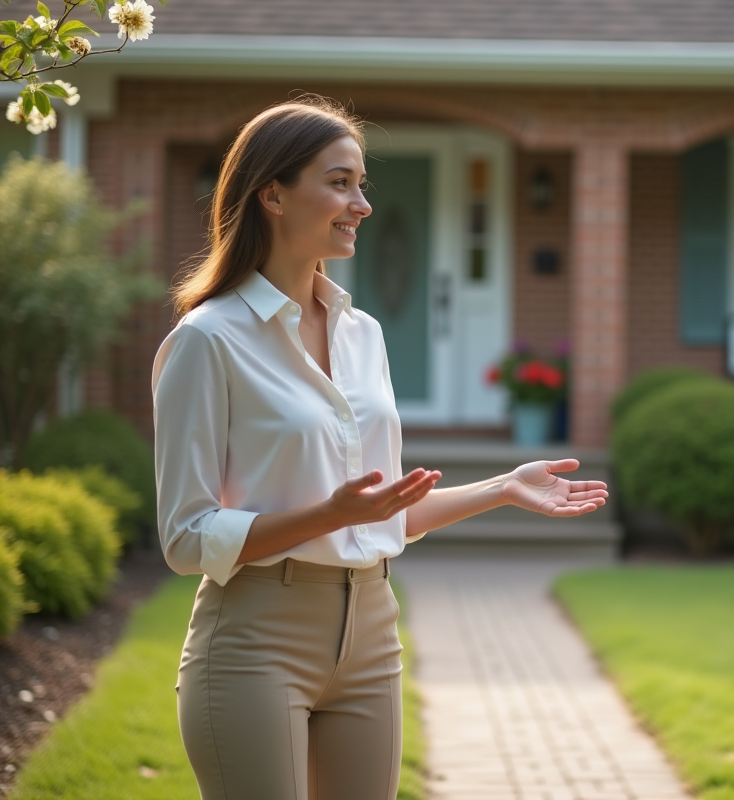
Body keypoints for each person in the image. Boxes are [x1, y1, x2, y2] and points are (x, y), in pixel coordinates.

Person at [152, 97, 608, 800]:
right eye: (339, 182)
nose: (361, 204)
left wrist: (502, 488)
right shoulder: (208, 340)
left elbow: (378, 514)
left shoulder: (362, 333)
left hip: (371, 631)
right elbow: (186, 540)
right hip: (254, 641)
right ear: (272, 192)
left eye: (362, 184)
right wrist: (328, 517)